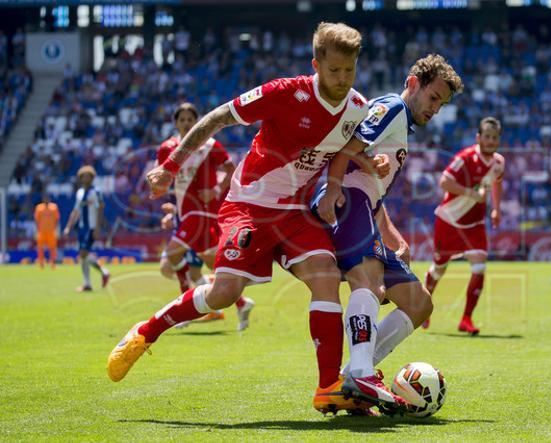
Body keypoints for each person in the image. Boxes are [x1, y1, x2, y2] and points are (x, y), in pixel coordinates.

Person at [107, 22, 373, 415]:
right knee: (224, 293)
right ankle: (146, 333)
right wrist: (170, 166)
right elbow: (216, 118)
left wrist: (365, 163)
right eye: (333, 70)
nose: (342, 78)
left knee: (326, 275)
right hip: (249, 202)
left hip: (297, 213)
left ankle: (328, 386)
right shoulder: (283, 92)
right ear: (315, 64)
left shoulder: (358, 108)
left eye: (349, 70)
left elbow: (340, 153)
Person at [315, 54, 463, 408]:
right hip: (347, 201)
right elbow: (344, 152)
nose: (435, 109)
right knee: (367, 281)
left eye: (441, 104)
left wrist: (395, 238)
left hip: (364, 206)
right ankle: (362, 375)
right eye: (433, 98)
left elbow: (375, 194)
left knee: (419, 304)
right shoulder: (393, 108)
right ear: (414, 83)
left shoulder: (401, 124)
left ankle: (352, 375)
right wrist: (334, 189)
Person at [156, 103, 253, 330]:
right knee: (207, 264)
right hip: (185, 212)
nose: (187, 123)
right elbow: (164, 182)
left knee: (171, 255)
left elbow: (231, 170)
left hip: (201, 212)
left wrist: (217, 190)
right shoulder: (167, 148)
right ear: (176, 123)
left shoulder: (210, 145)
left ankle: (185, 312)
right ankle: (241, 303)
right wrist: (170, 207)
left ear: (197, 121)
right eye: (182, 119)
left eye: (191, 119)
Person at [423, 117, 506, 335]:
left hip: (475, 223)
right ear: (478, 137)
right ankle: (423, 309)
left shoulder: (499, 162)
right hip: (449, 220)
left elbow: (497, 183)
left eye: (494, 137)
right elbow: (444, 182)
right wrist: (472, 194)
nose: (490, 141)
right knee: (439, 269)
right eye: (486, 136)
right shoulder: (465, 158)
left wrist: (496, 208)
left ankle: (466, 319)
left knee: (479, 265)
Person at [63, 166, 111, 292]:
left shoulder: (97, 191)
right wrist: (68, 227)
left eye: (88, 176)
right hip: (81, 227)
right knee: (83, 255)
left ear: (92, 177)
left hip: (91, 227)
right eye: (83, 176)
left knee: (83, 253)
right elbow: (75, 211)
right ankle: (91, 281)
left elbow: (100, 208)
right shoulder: (79, 193)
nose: (86, 178)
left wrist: (97, 228)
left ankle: (95, 278)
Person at [34, 194, 60, 269]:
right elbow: (36, 220)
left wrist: (57, 230)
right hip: (41, 231)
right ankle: (41, 263)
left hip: (51, 231)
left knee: (52, 248)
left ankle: (53, 263)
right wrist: (37, 231)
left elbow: (57, 219)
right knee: (40, 248)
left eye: (47, 198)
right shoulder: (39, 207)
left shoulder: (54, 207)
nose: (46, 200)